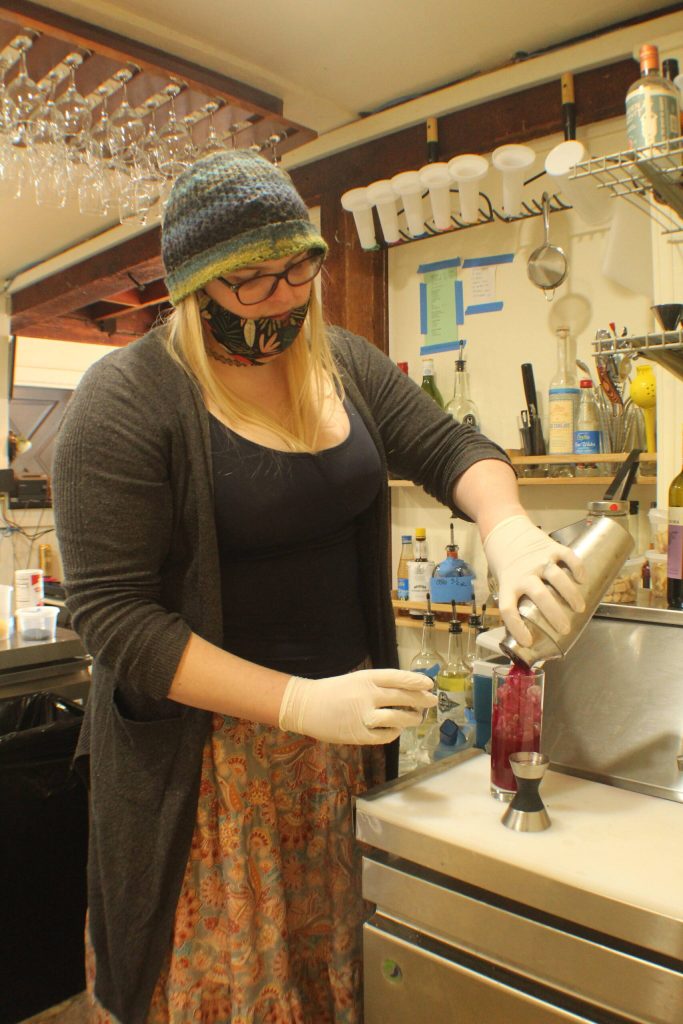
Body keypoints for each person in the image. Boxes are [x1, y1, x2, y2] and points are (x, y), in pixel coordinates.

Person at [52, 150, 585, 1024]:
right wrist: (297, 703)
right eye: (252, 281)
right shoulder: (128, 399)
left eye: (298, 268)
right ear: (196, 287)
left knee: (333, 979)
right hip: (210, 773)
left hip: (343, 742)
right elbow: (114, 619)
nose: (283, 297)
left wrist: (510, 530)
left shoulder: (340, 363)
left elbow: (454, 449)